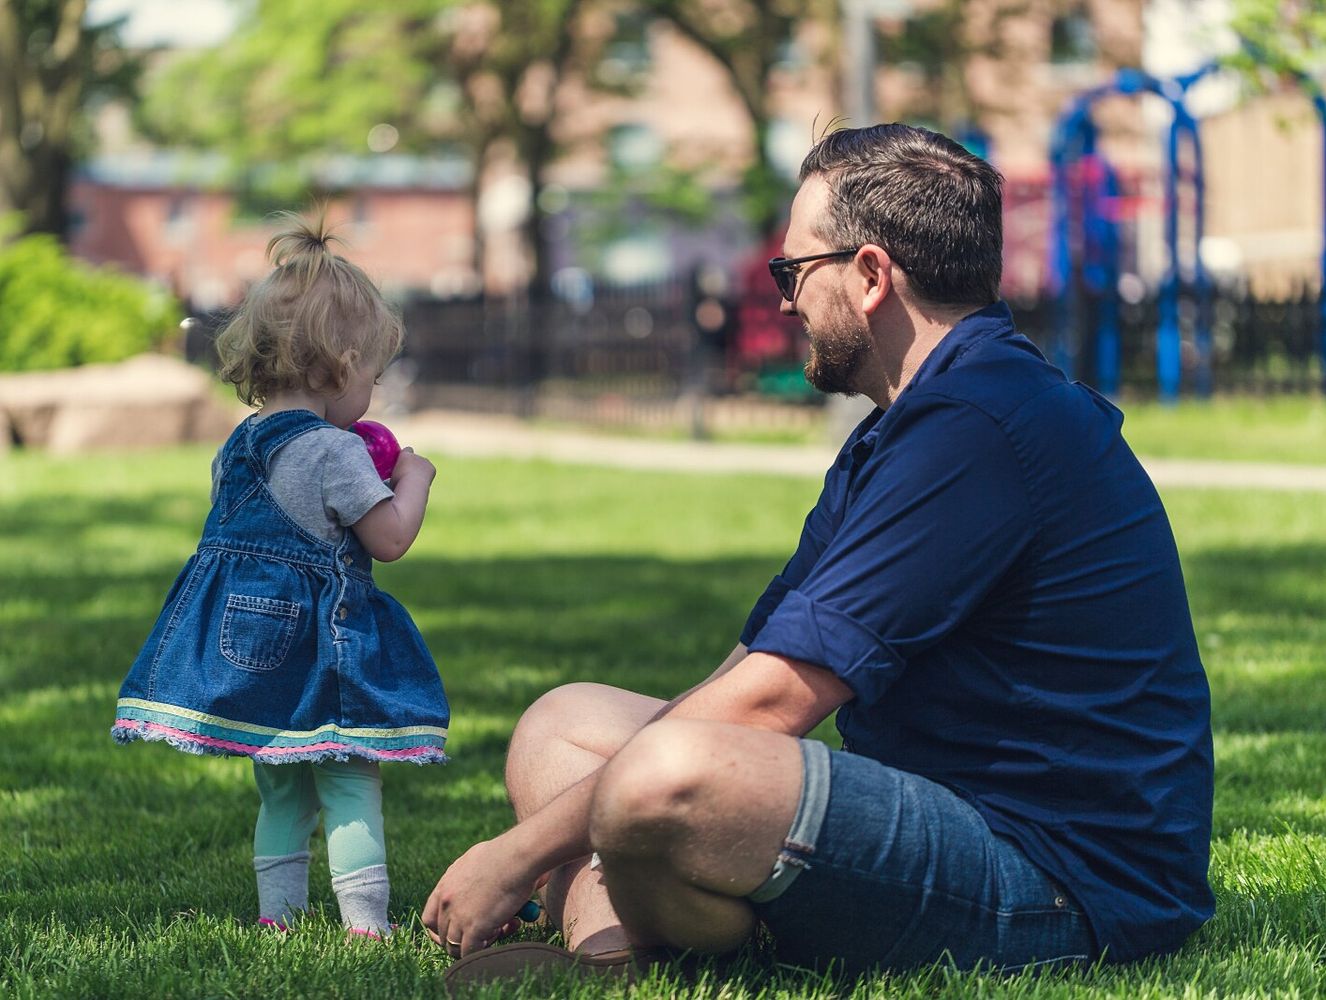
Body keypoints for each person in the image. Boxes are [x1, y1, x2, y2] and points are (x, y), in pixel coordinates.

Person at [425, 124, 1214, 983]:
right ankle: (615, 959)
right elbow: (749, 670)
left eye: (793, 272)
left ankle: (659, 927)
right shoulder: (908, 428)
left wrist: (514, 858)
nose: (784, 300)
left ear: (871, 274)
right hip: (948, 812)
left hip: (1061, 882)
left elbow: (772, 706)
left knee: (663, 776)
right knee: (563, 729)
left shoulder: (980, 427)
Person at [112, 215, 449, 939]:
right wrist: (414, 477)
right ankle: (366, 925)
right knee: (351, 776)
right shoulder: (335, 452)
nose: (373, 395)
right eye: (373, 377)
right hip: (320, 656)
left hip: (251, 651)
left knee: (283, 788)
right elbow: (388, 539)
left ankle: (279, 920)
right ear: (339, 366)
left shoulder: (240, 443)